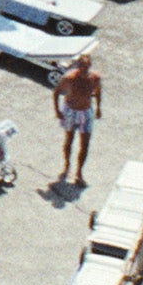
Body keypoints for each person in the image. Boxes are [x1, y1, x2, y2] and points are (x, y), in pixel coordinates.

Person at [51, 49, 105, 193]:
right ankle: (67, 165)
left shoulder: (95, 78)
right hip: (70, 111)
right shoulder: (69, 78)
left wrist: (99, 108)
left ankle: (79, 172)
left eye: (86, 66)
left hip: (86, 112)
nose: (83, 69)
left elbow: (98, 92)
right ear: (77, 66)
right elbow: (56, 92)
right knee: (69, 140)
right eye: (81, 66)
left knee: (85, 144)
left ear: (89, 66)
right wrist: (57, 111)